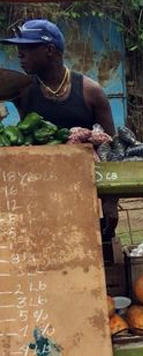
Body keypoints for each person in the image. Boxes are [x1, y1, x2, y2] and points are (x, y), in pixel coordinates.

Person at [1, 19, 118, 242]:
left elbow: (112, 149)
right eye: (18, 49)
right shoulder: (21, 90)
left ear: (49, 50)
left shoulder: (90, 92)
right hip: (37, 193)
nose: (19, 54)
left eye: (26, 48)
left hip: (84, 192)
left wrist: (111, 203)